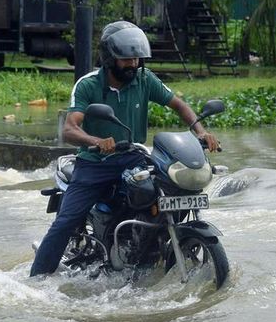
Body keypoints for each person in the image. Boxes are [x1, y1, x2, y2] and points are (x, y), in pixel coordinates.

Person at [30, 21, 220, 277]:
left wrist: (201, 131)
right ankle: (37, 279)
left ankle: (147, 246)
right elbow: (70, 129)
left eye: (136, 59)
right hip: (94, 163)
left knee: (166, 192)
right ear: (110, 58)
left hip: (135, 156)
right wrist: (96, 141)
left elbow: (178, 105)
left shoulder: (144, 79)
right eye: (126, 59)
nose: (133, 64)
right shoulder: (88, 85)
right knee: (66, 222)